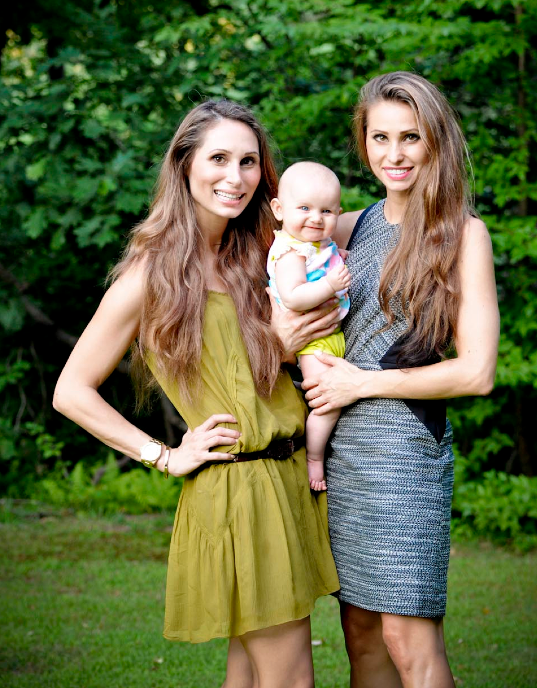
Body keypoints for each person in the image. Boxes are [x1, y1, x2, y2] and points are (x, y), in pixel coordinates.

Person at [53, 99, 341, 688]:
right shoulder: (150, 273)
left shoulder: (255, 254)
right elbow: (71, 390)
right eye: (217, 159)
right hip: (237, 493)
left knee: (249, 674)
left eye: (249, 162)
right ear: (183, 165)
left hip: (285, 481)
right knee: (289, 679)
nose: (234, 178)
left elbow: (342, 216)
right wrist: (164, 455)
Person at [301, 72, 499, 688]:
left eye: (410, 137)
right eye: (379, 137)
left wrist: (361, 384)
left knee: (407, 639)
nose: (394, 154)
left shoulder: (461, 234)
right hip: (338, 458)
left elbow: (477, 371)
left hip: (407, 454)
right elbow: (262, 255)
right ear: (363, 144)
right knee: (360, 638)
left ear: (434, 141)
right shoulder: (344, 226)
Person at [267, 161, 351, 491]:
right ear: (279, 209)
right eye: (304, 208)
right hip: (312, 343)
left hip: (330, 337)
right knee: (328, 403)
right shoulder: (290, 252)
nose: (316, 218)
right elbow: (294, 296)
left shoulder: (317, 244)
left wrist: (336, 257)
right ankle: (315, 457)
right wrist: (330, 284)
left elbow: (324, 260)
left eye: (326, 210)